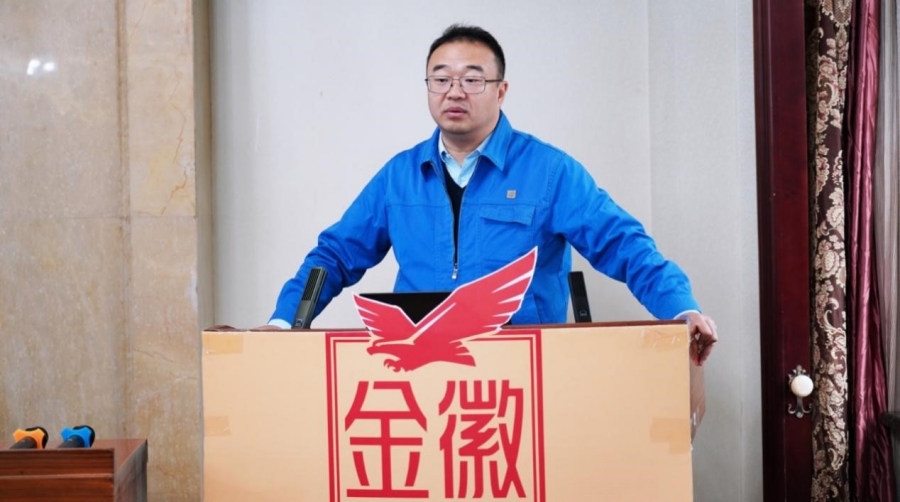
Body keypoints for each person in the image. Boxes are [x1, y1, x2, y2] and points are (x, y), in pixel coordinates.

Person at [262, 24, 718, 364]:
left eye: (472, 79)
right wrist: (284, 322)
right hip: (422, 368)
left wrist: (680, 309)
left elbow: (622, 244)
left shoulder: (549, 171)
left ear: (501, 91)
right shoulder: (398, 177)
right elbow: (335, 255)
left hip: (525, 370)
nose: (454, 92)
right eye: (441, 79)